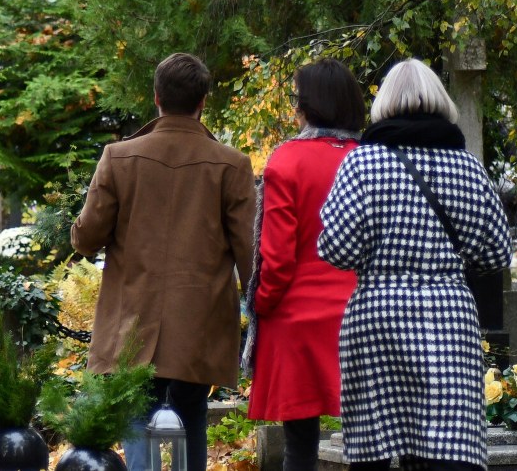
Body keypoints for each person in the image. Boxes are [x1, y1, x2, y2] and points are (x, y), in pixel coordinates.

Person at [317, 59, 510, 471]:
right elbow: (496, 254)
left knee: (373, 451)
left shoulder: (362, 164)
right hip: (450, 318)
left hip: (377, 319)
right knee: (449, 451)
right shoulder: (469, 168)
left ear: (385, 103)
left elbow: (338, 250)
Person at [71, 52, 255, 471]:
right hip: (201, 321)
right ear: (203, 101)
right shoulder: (232, 164)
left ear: (156, 97)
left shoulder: (119, 157)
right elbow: (249, 252)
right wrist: (259, 308)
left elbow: (86, 239)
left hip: (132, 318)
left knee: (136, 411)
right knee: (192, 413)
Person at [243, 59, 364, 471]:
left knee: (299, 447)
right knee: (370, 441)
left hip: (296, 317)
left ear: (310, 105)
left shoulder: (287, 160)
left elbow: (277, 259)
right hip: (361, 312)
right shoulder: (371, 159)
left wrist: (260, 304)